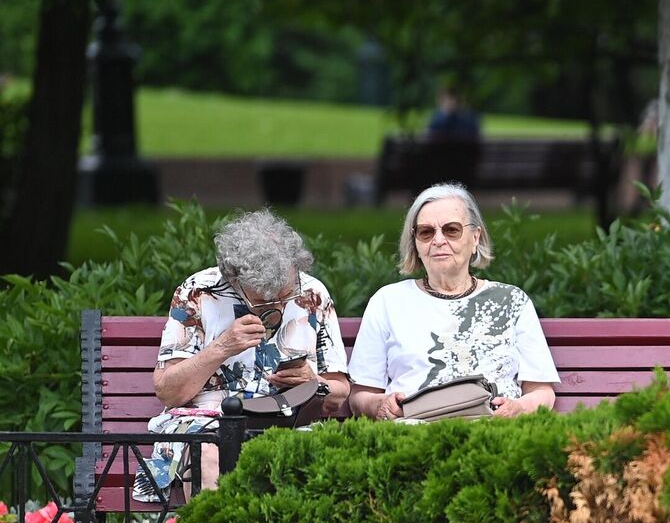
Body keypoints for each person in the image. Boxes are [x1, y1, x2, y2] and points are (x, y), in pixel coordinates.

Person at [144, 209, 348, 497]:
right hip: (211, 423)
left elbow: (340, 392)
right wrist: (223, 346)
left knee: (312, 455)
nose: (276, 307)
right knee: (211, 451)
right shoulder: (199, 292)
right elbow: (168, 391)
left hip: (290, 423)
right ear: (236, 279)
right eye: (264, 300)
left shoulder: (312, 293)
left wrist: (313, 381)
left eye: (285, 296)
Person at [347, 182, 559, 419]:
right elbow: (360, 395)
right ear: (415, 242)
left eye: (451, 230)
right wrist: (380, 405)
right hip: (415, 431)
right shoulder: (388, 301)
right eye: (426, 232)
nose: (438, 240)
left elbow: (542, 391)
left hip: (496, 429)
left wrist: (519, 408)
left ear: (475, 237)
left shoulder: (511, 301)